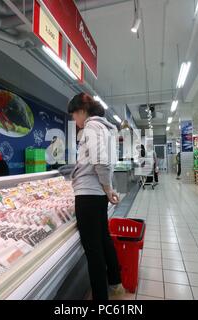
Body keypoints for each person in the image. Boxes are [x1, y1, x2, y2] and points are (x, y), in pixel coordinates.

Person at [68, 92, 124, 301]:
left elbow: (101, 161)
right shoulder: (106, 129)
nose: (75, 120)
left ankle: (101, 299)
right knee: (103, 238)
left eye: (74, 115)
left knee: (93, 250)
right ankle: (115, 283)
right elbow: (104, 161)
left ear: (82, 111)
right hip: (97, 194)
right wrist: (106, 189)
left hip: (88, 195)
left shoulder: (91, 127)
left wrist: (108, 188)